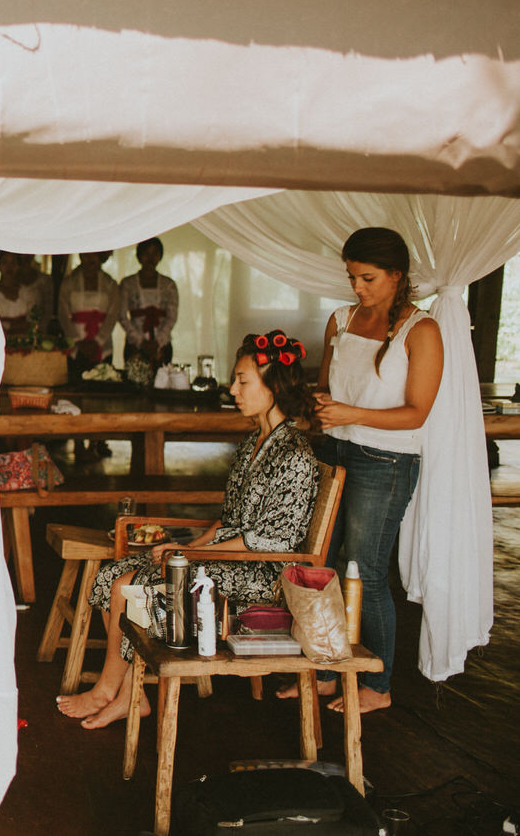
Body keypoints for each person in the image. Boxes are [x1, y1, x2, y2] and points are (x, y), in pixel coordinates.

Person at [56, 331, 320, 729]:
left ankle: (117, 692)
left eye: (243, 381)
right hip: (233, 557)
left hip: (262, 572)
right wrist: (189, 545)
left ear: (274, 387)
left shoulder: (295, 454)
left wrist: (194, 556)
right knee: (117, 574)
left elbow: (270, 541)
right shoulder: (254, 444)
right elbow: (228, 520)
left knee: (134, 583)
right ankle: (122, 692)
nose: (233, 389)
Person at [278, 227, 441, 714]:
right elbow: (325, 388)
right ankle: (326, 670)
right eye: (351, 277)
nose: (358, 288)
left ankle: (380, 684)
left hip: (387, 459)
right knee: (318, 565)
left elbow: (417, 413)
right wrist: (305, 403)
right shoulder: (341, 320)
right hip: (336, 450)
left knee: (365, 570)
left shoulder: (422, 331)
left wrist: (352, 414)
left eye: (368, 278)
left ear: (397, 275)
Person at [57, 251, 120, 375]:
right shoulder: (69, 283)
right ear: (80, 255)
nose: (90, 258)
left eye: (95, 254)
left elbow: (113, 315)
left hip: (102, 347)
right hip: (75, 346)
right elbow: (63, 314)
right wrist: (77, 341)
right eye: (86, 254)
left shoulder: (110, 284)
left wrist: (98, 341)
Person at [119, 237, 179, 368]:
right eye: (146, 253)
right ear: (139, 255)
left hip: (162, 345)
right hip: (134, 345)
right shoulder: (127, 283)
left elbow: (172, 316)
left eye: (155, 253)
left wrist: (158, 342)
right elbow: (122, 316)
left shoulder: (169, 284)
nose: (150, 258)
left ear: (160, 256)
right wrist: (141, 342)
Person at [0, 251, 55, 340]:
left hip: (24, 340)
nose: (9, 267)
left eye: (13, 262)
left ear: (18, 265)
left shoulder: (27, 292)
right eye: (5, 262)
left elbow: (32, 319)